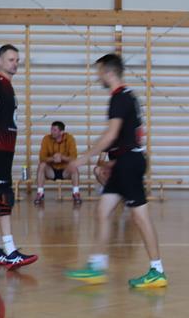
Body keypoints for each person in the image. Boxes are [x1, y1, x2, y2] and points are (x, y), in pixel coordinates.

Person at [67, 53, 167, 289]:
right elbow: (124, 135)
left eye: (100, 72)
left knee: (140, 217)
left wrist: (83, 159)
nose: (98, 77)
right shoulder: (127, 96)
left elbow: (111, 135)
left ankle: (157, 271)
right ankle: (96, 267)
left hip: (129, 163)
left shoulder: (119, 98)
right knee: (102, 211)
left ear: (109, 73)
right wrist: (112, 160)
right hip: (124, 162)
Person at [0, 44, 36, 269]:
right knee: (5, 196)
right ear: (0, 60)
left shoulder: (8, 86)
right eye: (11, 59)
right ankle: (11, 251)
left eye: (17, 60)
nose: (15, 63)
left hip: (4, 148)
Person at [34, 120, 81, 205]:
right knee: (42, 165)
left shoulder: (70, 139)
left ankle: (76, 193)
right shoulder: (46, 139)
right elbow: (42, 158)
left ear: (62, 132)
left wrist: (62, 157)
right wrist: (53, 158)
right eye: (51, 129)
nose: (52, 132)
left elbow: (74, 158)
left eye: (54, 130)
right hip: (51, 171)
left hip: (65, 171)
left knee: (74, 166)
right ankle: (40, 193)